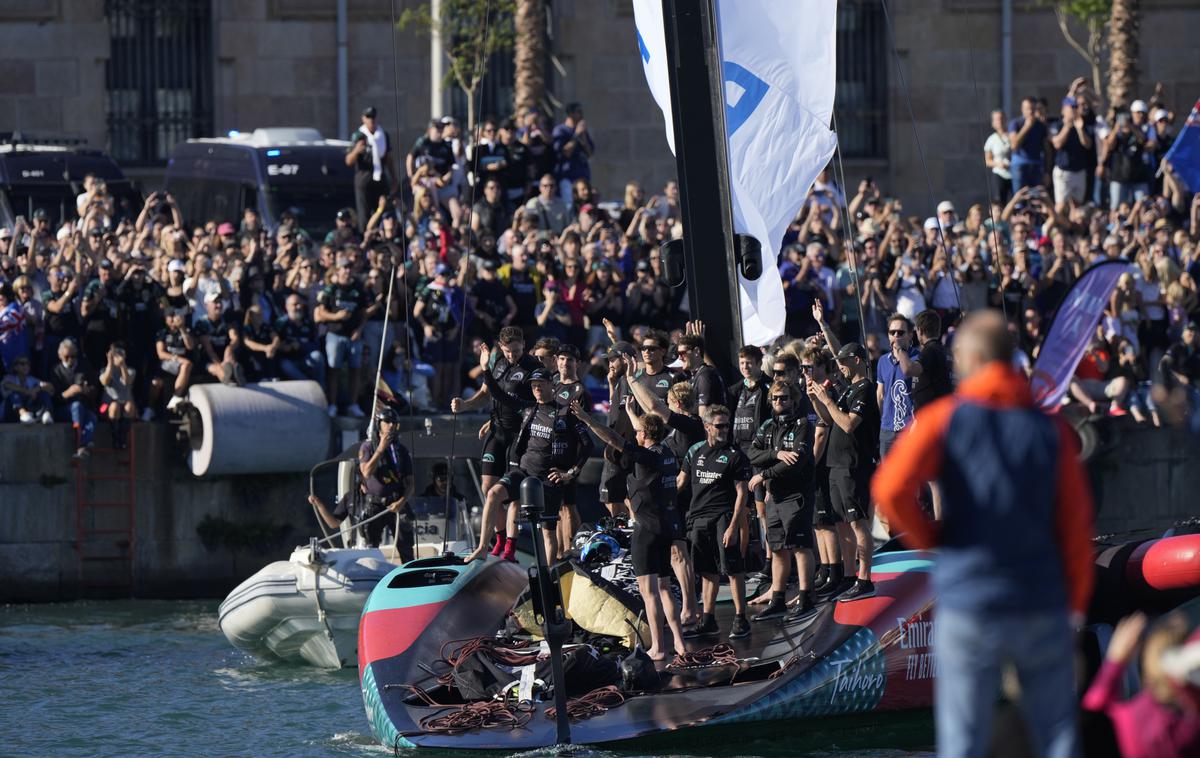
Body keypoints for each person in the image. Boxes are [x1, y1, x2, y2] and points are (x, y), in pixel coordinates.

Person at [872, 310, 1095, 758]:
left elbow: (890, 488)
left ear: (970, 359)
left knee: (963, 742)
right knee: (1056, 738)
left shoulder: (944, 420)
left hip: (970, 601)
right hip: (1039, 602)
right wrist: (1074, 612)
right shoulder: (1050, 431)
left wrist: (932, 539)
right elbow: (1076, 528)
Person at [573, 402, 686, 660]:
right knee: (665, 588)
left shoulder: (646, 456)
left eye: (638, 432)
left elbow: (613, 439)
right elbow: (642, 429)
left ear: (645, 435)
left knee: (649, 593)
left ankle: (658, 646)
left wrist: (588, 420)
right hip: (666, 528)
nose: (635, 435)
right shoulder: (667, 453)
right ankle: (679, 643)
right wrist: (633, 414)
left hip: (646, 531)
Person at [468, 357, 593, 563]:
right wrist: (486, 370)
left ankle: (550, 573)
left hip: (547, 480)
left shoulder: (564, 413)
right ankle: (483, 547)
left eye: (540, 385)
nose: (536, 389)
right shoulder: (527, 408)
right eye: (533, 386)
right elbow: (499, 394)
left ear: (551, 385)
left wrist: (571, 473)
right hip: (523, 473)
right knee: (492, 494)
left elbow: (587, 444)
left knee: (547, 532)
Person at [452, 325, 539, 552]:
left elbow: (535, 403)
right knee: (488, 487)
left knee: (510, 494)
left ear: (524, 347)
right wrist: (465, 405)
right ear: (501, 347)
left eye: (517, 351)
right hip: (497, 432)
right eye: (509, 351)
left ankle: (511, 545)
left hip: (519, 436)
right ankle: (499, 539)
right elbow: (486, 393)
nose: (512, 356)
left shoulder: (532, 367)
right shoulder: (496, 362)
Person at [808, 342, 879, 602]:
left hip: (854, 465)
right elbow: (828, 419)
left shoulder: (865, 389)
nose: (839, 366)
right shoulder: (848, 388)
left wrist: (827, 399)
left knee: (857, 523)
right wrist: (816, 401)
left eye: (844, 360)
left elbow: (848, 424)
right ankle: (848, 577)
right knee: (841, 524)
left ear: (857, 360)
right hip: (836, 464)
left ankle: (865, 578)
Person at [678, 404, 753, 640]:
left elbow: (742, 494)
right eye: (719, 426)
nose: (724, 430)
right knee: (706, 571)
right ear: (707, 426)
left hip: (723, 517)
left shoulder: (736, 456)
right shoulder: (694, 452)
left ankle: (742, 618)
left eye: (727, 425)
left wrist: (733, 527)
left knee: (732, 569)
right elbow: (680, 482)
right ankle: (708, 619)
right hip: (698, 518)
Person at [1082, 611, 1200, 758]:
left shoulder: (1126, 721)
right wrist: (1115, 660)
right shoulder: (1187, 728)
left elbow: (1094, 706)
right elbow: (1094, 706)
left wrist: (1115, 661)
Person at [745, 381, 816, 622]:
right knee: (776, 549)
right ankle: (777, 599)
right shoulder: (767, 425)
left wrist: (763, 474)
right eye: (775, 398)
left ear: (794, 400)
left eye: (784, 398)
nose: (779, 402)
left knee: (799, 546)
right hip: (773, 495)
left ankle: (806, 597)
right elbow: (752, 453)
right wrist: (775, 454)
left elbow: (796, 462)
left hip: (796, 495)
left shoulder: (803, 425)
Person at [315, 259, 368, 417]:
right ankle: (332, 404)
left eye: (350, 268)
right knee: (333, 370)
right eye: (344, 268)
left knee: (355, 370)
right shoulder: (331, 289)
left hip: (353, 336)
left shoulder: (358, 289)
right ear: (338, 270)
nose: (347, 271)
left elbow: (363, 314)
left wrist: (359, 330)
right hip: (335, 334)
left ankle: (353, 404)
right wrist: (336, 316)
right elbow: (321, 312)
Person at [876, 313, 919, 460]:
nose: (896, 336)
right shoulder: (882, 360)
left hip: (910, 428)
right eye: (892, 332)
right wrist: (883, 421)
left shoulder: (917, 358)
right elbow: (880, 394)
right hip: (887, 429)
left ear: (910, 335)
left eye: (900, 332)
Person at [345, 107, 397, 227]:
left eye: (373, 117)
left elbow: (388, 158)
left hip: (380, 178)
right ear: (363, 119)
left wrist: (393, 178)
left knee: (383, 209)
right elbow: (348, 161)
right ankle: (366, 236)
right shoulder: (358, 135)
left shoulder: (383, 135)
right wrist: (356, 150)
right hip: (364, 178)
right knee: (364, 213)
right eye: (368, 117)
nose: (371, 120)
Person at [48, 338, 97, 460]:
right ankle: (81, 443)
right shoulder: (55, 371)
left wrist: (86, 391)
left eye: (74, 356)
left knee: (92, 418)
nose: (71, 359)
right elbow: (53, 398)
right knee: (76, 406)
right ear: (60, 355)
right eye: (67, 356)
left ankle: (83, 445)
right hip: (64, 409)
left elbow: (95, 389)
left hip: (84, 407)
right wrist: (68, 393)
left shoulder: (84, 366)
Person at [676, 325, 726, 418]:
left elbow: (704, 416)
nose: (679, 358)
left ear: (696, 351)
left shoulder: (705, 375)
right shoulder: (696, 374)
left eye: (682, 353)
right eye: (678, 354)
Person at [275, 294, 324, 387]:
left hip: (305, 360)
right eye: (295, 304)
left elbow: (316, 345)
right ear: (287, 307)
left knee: (318, 356)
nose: (299, 307)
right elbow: (275, 343)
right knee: (285, 365)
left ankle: (321, 389)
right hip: (289, 361)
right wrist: (283, 347)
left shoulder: (308, 323)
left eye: (300, 304)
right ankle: (310, 386)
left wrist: (300, 346)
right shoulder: (281, 323)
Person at [551, 103, 595, 206]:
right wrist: (576, 135)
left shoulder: (583, 131)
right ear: (570, 114)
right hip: (568, 177)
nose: (581, 115)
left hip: (583, 176)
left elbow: (590, 153)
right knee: (569, 205)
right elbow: (565, 152)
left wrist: (583, 137)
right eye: (578, 112)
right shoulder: (561, 130)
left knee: (584, 205)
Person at [1008, 96, 1050, 193]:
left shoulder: (1041, 125)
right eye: (1028, 109)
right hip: (1020, 166)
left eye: (1033, 109)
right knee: (1020, 199)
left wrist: (1047, 171)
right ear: (1022, 109)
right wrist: (1027, 127)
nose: (1030, 111)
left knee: (1036, 199)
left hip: (1036, 166)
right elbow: (1014, 145)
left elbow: (1047, 150)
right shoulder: (1015, 123)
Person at [99, 342, 137, 449]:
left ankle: (122, 438)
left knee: (130, 406)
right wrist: (110, 364)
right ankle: (115, 438)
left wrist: (122, 365)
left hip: (125, 406)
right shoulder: (104, 370)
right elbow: (104, 381)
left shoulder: (130, 370)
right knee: (114, 406)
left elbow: (127, 381)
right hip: (105, 407)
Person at [983, 109, 1013, 204]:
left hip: (1013, 172)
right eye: (997, 119)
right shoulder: (991, 139)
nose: (1000, 121)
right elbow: (987, 161)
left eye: (1001, 118)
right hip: (999, 173)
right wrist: (998, 164)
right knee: (999, 200)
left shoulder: (1012, 136)